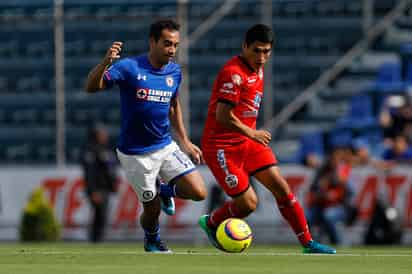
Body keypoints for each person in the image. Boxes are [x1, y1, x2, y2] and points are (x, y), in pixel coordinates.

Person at [199, 24, 336, 254]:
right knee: (248, 204)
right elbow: (222, 116)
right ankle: (212, 222)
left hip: (247, 142)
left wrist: (250, 135)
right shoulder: (233, 74)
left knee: (282, 188)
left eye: (266, 52)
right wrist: (252, 132)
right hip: (221, 146)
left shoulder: (258, 69)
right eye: (257, 50)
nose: (262, 57)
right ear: (245, 46)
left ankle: (308, 244)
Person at [85, 19, 207, 253]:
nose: (172, 50)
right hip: (135, 155)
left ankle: (165, 190)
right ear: (152, 42)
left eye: (175, 45)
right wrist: (105, 64)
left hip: (164, 145)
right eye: (167, 44)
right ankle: (152, 239)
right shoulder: (130, 67)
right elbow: (91, 87)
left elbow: (174, 104)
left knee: (198, 191)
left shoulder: (174, 71)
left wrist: (184, 140)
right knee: (151, 211)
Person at [81, 124, 117, 243]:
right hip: (97, 189)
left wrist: (113, 184)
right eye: (102, 134)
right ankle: (95, 240)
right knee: (99, 215)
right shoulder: (90, 150)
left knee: (102, 215)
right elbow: (89, 173)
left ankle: (99, 239)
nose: (105, 136)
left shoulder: (106, 149)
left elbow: (111, 170)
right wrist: (93, 191)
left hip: (106, 188)